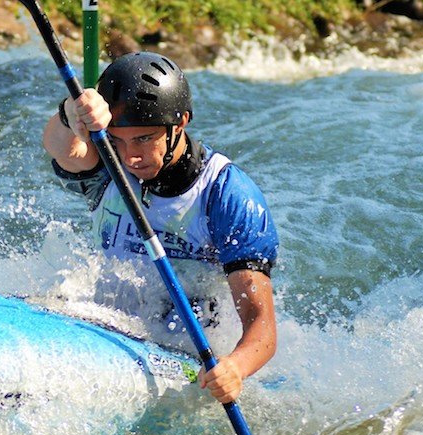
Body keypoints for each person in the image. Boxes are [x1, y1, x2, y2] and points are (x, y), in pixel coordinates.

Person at [42, 51, 278, 405]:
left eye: (143, 139)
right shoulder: (110, 162)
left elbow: (262, 326)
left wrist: (235, 368)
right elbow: (64, 149)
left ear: (180, 122)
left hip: (176, 354)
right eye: (118, 141)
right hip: (98, 329)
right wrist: (70, 113)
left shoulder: (227, 195)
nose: (129, 157)